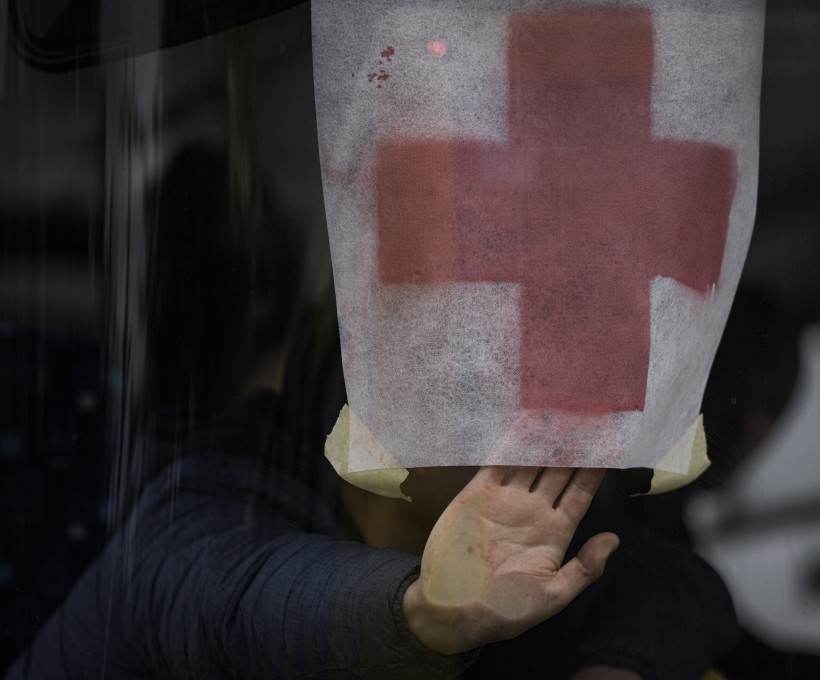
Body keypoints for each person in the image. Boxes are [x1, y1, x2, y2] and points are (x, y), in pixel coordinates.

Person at [5, 148, 738, 679]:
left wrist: (618, 663)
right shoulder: (201, 505)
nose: (526, 424)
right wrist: (418, 613)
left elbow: (671, 580)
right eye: (469, 381)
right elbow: (243, 597)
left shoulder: (519, 533)